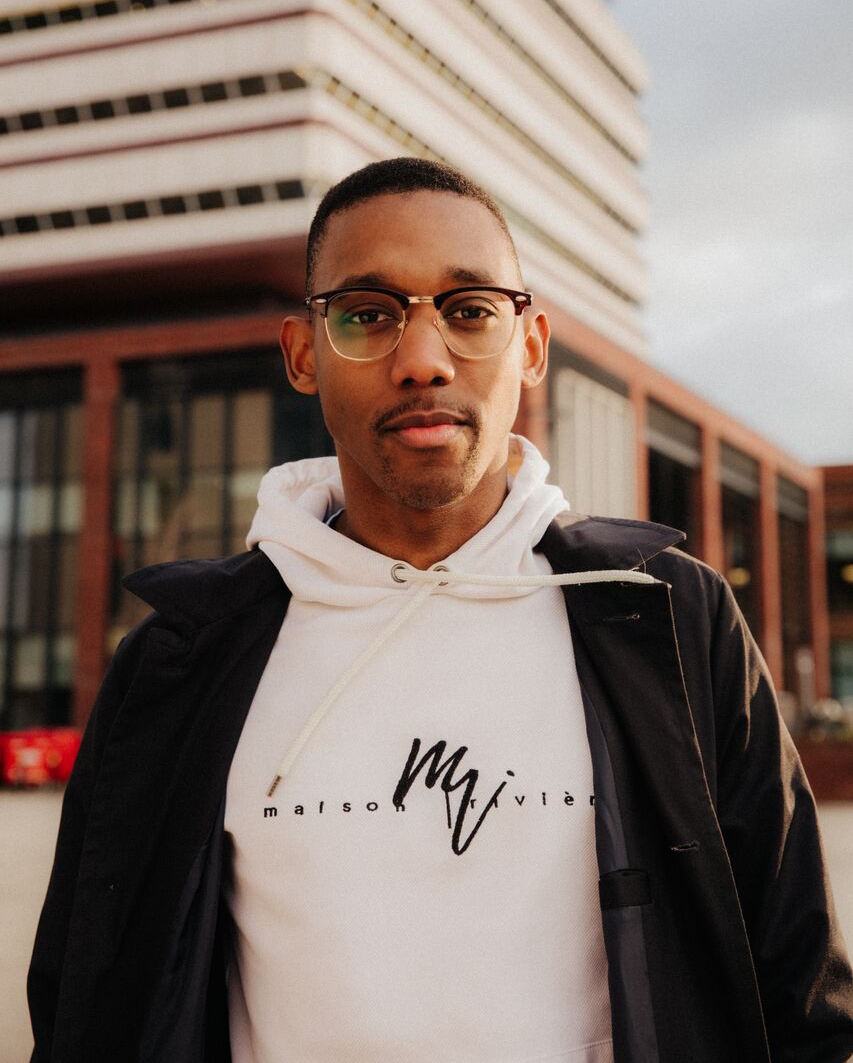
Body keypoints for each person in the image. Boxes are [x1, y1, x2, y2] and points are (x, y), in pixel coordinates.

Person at [28, 157, 853, 1063]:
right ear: (306, 353)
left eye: (468, 313)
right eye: (366, 316)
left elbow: (798, 993)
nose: (422, 361)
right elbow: (86, 999)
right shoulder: (182, 657)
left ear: (528, 345)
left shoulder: (664, 619)